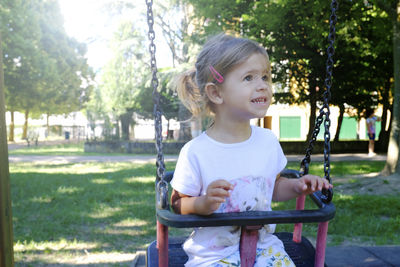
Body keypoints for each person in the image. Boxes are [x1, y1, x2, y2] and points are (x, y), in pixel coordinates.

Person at [170, 34, 332, 267]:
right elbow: (177, 203)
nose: (262, 85)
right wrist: (203, 203)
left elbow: (273, 188)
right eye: (249, 77)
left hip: (265, 249)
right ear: (216, 93)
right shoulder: (196, 152)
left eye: (265, 77)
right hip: (214, 255)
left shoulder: (267, 141)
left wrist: (297, 186)